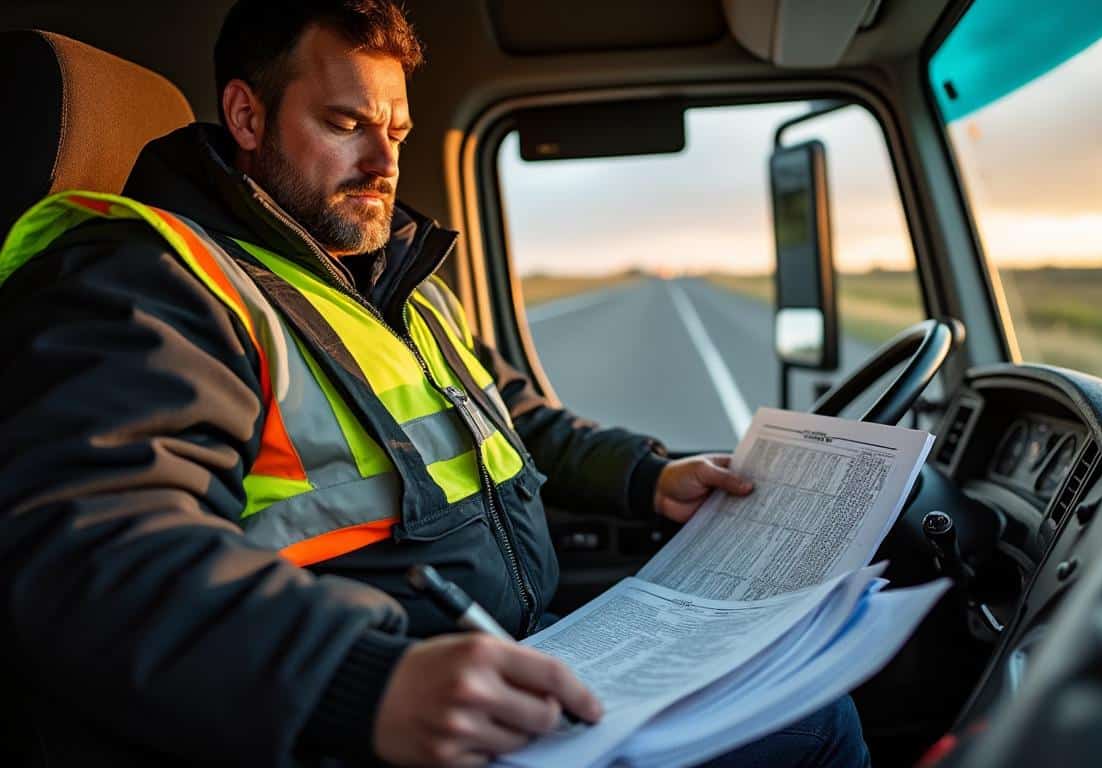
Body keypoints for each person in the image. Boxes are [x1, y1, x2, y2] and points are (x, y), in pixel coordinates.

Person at [0, 1, 869, 765]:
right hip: (365, 722)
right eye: (346, 123)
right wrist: (367, 680)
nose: (384, 161)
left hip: (510, 657)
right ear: (247, 116)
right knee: (815, 728)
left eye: (399, 132)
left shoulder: (402, 285)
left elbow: (517, 421)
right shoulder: (151, 282)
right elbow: (89, 544)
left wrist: (648, 477)